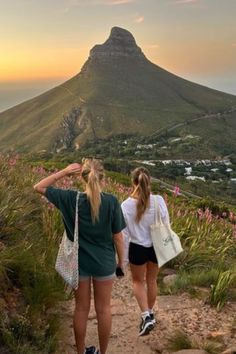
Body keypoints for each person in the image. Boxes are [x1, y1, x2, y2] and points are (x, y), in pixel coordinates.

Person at [34, 158, 125, 354]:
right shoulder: (111, 202)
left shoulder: (69, 199)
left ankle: (82, 352)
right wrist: (121, 264)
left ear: (82, 177)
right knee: (104, 309)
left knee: (81, 309)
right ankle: (103, 351)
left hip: (79, 263)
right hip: (105, 264)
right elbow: (118, 238)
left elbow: (38, 186)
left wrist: (64, 172)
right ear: (102, 178)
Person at [121, 167, 170, 336]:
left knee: (137, 282)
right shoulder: (159, 201)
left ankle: (146, 315)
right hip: (156, 247)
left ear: (133, 182)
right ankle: (150, 312)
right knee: (152, 280)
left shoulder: (126, 206)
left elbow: (124, 236)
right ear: (149, 181)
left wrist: (122, 261)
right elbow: (166, 225)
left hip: (137, 248)